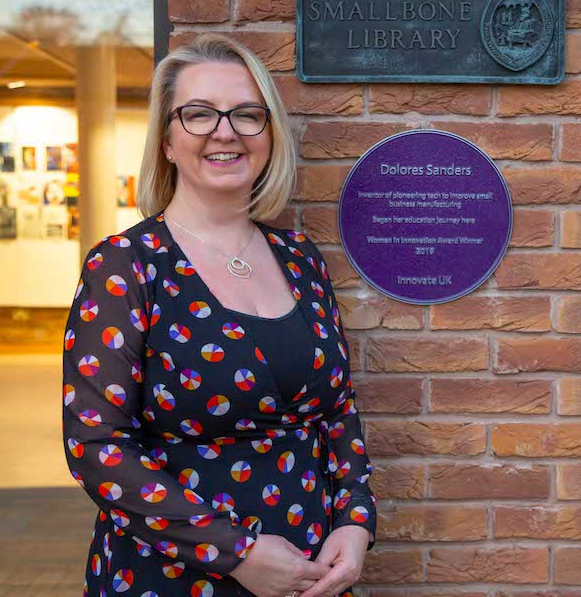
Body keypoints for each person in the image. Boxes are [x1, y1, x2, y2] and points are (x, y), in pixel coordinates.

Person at [62, 33, 377, 597]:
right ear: (166, 139)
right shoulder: (127, 265)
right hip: (171, 575)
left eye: (246, 114)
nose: (225, 131)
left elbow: (338, 412)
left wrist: (355, 520)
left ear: (268, 134)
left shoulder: (300, 257)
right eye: (199, 114)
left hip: (311, 574)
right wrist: (236, 553)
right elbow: (96, 446)